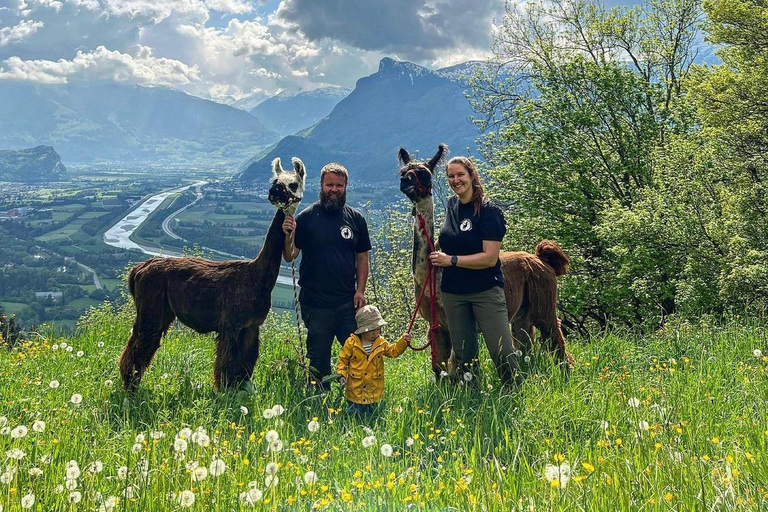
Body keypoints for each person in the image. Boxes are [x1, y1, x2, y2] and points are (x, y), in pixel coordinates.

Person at [428, 156, 519, 385]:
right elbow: (450, 238)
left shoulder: (489, 212)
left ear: (472, 176)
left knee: (501, 350)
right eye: (451, 176)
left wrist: (451, 260)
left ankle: (514, 390)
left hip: (485, 290)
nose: (455, 180)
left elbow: (489, 258)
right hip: (453, 293)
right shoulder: (451, 206)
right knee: (463, 353)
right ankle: (470, 394)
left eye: (460, 175)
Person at [283, 162, 371, 386]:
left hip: (347, 302)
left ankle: (358, 401)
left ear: (346, 186)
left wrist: (360, 290)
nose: (334, 189)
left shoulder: (356, 219)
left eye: (339, 185)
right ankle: (318, 402)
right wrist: (287, 235)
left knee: (357, 356)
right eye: (330, 184)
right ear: (321, 186)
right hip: (315, 303)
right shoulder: (306, 217)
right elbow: (290, 255)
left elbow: (362, 258)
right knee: (318, 361)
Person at [336, 305, 410, 415]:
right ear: (362, 330)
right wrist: (341, 374)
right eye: (371, 330)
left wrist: (403, 342)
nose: (375, 333)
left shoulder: (380, 342)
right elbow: (342, 360)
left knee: (374, 414)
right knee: (354, 414)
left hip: (374, 390)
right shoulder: (351, 343)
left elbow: (393, 351)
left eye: (378, 329)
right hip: (356, 390)